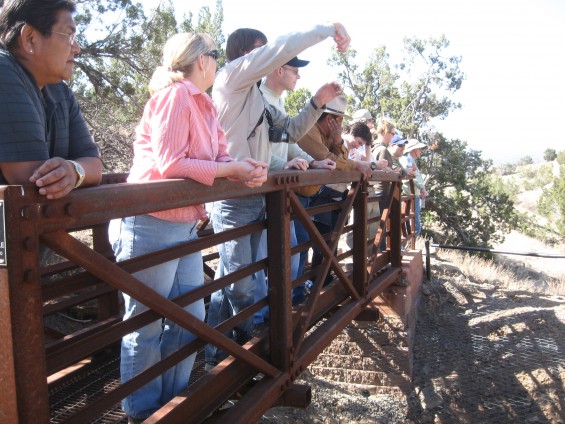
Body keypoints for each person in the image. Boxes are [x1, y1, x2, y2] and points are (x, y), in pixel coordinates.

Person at [108, 33, 267, 423]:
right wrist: (230, 170)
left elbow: (220, 154)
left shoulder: (205, 104)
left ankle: (175, 404)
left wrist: (242, 170)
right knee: (145, 323)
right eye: (215, 57)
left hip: (183, 224)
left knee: (190, 317)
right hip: (148, 223)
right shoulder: (175, 96)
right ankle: (142, 412)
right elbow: (170, 164)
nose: (217, 63)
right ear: (201, 61)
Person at [206, 23, 349, 368]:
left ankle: (220, 355)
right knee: (240, 284)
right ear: (245, 55)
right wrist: (325, 31)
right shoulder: (231, 80)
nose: (274, 59)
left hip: (256, 195)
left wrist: (318, 101)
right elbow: (282, 48)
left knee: (238, 279)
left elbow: (290, 130)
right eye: (262, 51)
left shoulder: (256, 95)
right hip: (232, 199)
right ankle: (237, 349)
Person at [0, 0, 102, 200]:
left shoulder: (59, 90)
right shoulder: (3, 71)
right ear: (30, 38)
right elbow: (32, 180)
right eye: (68, 35)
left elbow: (94, 164)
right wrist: (73, 173)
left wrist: (74, 170)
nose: (77, 48)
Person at [258, 56, 336, 306]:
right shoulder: (258, 99)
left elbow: (286, 144)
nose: (298, 76)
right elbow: (254, 151)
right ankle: (260, 323)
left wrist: (312, 162)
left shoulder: (276, 101)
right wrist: (284, 165)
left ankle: (275, 315)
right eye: (295, 71)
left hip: (277, 194)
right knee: (251, 267)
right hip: (259, 193)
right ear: (279, 70)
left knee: (284, 253)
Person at [297, 95, 377, 281]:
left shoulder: (329, 136)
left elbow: (338, 157)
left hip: (311, 195)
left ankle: (313, 284)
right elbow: (331, 160)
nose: (340, 124)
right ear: (330, 119)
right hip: (302, 196)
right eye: (339, 120)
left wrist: (338, 141)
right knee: (302, 246)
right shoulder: (310, 131)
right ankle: (301, 293)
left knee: (312, 244)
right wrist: (356, 165)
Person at [371, 117, 399, 250]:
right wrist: (398, 173)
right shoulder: (382, 150)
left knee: (375, 226)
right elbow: (385, 170)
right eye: (392, 133)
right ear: (385, 132)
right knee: (380, 227)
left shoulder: (373, 147)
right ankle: (379, 256)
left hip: (375, 191)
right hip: (381, 191)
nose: (393, 136)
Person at [400, 138, 427, 236]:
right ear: (414, 149)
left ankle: (404, 247)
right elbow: (412, 175)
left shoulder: (408, 159)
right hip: (409, 195)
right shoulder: (407, 159)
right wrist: (422, 188)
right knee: (414, 227)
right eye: (419, 148)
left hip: (411, 195)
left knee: (411, 224)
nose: (420, 151)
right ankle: (403, 248)